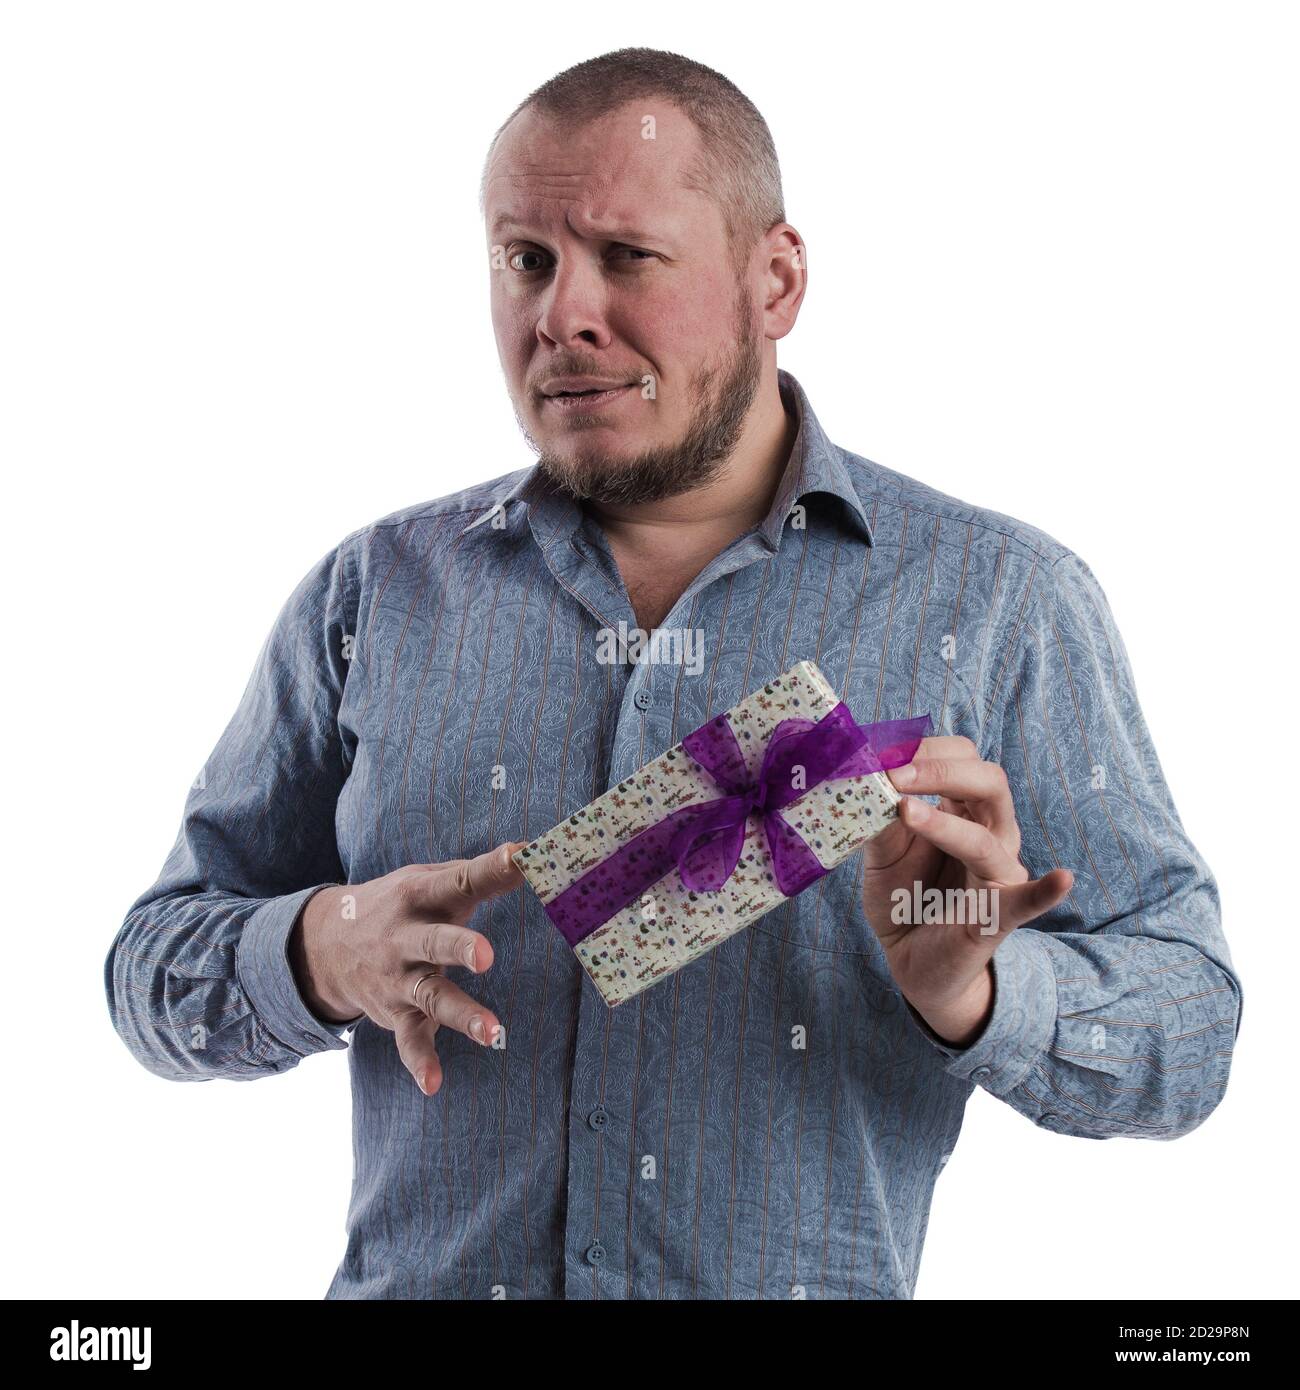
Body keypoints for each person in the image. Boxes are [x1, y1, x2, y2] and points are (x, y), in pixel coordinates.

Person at [105, 47, 1242, 1300]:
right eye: (525, 259)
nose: (562, 314)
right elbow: (152, 968)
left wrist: (974, 989)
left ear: (776, 279)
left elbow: (1187, 1032)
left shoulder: (993, 602)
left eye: (627, 257)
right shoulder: (372, 597)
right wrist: (320, 950)